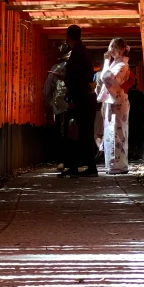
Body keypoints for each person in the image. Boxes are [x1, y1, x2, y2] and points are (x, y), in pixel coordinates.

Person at [59, 24, 98, 177]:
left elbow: (75, 79)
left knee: (80, 133)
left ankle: (88, 167)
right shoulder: (84, 52)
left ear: (68, 37)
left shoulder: (76, 53)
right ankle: (76, 166)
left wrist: (66, 81)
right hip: (86, 96)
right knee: (80, 132)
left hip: (81, 98)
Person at [97, 38, 130, 175]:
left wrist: (106, 61)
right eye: (110, 47)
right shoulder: (116, 64)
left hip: (117, 102)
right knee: (112, 133)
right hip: (112, 102)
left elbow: (105, 78)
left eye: (114, 47)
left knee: (117, 133)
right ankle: (113, 164)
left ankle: (118, 165)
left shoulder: (121, 65)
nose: (111, 50)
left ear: (122, 50)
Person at [43, 44, 70, 168]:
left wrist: (49, 102)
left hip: (59, 105)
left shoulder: (56, 68)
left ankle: (62, 160)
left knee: (60, 132)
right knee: (73, 131)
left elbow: (48, 87)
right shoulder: (75, 67)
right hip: (73, 104)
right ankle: (74, 159)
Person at [127, 83, 144, 160]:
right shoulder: (140, 94)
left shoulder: (126, 94)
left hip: (129, 118)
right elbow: (143, 107)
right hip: (138, 118)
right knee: (138, 136)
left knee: (130, 135)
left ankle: (130, 151)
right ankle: (137, 151)